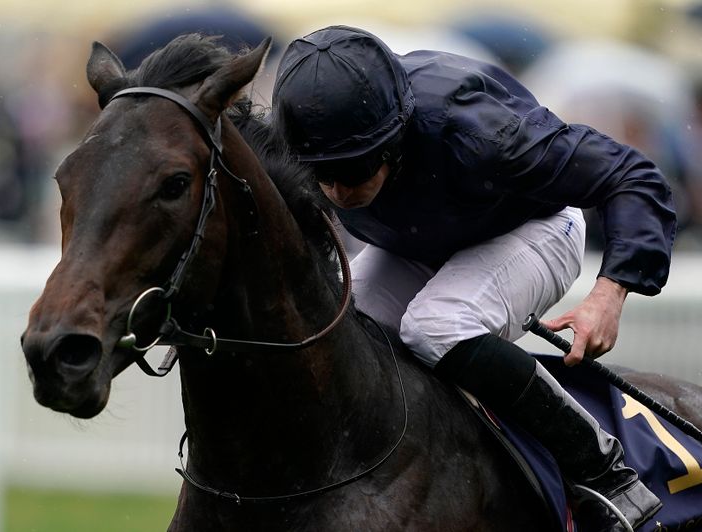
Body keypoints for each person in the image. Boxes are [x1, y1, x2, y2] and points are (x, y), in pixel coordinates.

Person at [272, 26, 675, 530]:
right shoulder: (300, 133)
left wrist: (610, 292)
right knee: (344, 327)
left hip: (536, 225)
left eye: (352, 170)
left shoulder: (479, 129)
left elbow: (632, 175)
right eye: (321, 175)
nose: (336, 190)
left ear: (395, 137)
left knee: (435, 323)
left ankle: (604, 471)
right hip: (417, 240)